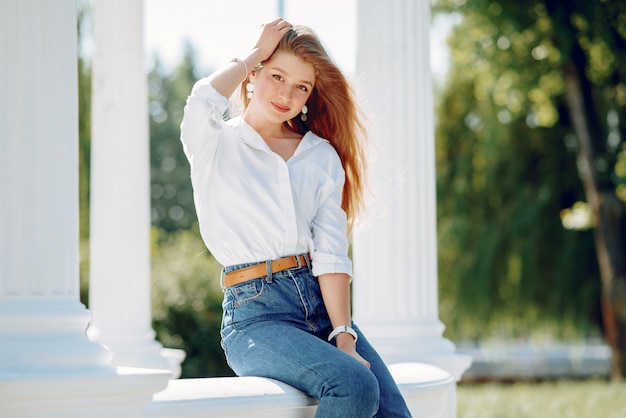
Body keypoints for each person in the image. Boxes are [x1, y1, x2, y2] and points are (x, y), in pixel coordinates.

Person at [180, 18, 412, 418]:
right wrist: (255, 51)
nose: (286, 94)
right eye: (276, 76)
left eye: (301, 86)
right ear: (253, 76)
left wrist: (344, 336)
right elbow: (201, 99)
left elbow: (332, 254)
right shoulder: (216, 142)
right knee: (353, 386)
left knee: (392, 412)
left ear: (310, 96)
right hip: (256, 315)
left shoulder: (320, 155)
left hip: (320, 305)